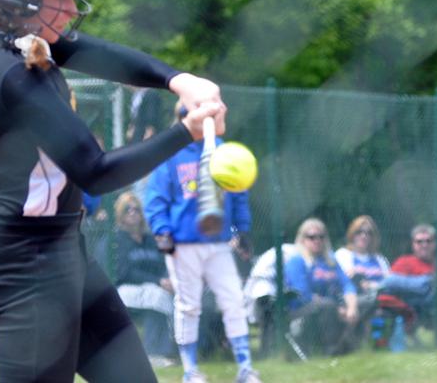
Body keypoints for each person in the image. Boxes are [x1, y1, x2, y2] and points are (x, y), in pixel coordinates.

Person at [0, 0, 227, 383]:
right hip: (23, 265)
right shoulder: (7, 73)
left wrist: (176, 79)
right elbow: (96, 170)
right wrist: (186, 131)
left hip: (61, 249)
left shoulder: (5, 36)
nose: (70, 6)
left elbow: (86, 50)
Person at [144, 102, 260, 383]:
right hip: (183, 244)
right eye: (187, 116)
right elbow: (156, 198)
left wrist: (241, 230)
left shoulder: (223, 151)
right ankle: (190, 370)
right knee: (188, 305)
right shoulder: (171, 154)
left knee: (234, 299)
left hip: (218, 242)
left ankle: (245, 367)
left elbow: (238, 193)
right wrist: (162, 232)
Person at [111, 192, 176, 367]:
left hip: (155, 286)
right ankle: (154, 353)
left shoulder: (151, 239)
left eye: (136, 209)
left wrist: (166, 279)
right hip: (126, 289)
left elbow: (165, 262)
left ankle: (180, 348)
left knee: (162, 294)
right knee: (156, 295)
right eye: (127, 209)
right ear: (120, 215)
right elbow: (124, 273)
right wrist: (157, 281)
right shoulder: (116, 239)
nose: (133, 213)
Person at [284, 218, 359, 356]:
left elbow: (347, 285)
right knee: (327, 305)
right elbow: (302, 295)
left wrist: (351, 308)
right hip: (300, 311)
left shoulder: (330, 261)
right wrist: (337, 308)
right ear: (302, 240)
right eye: (311, 237)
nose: (317, 240)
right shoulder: (297, 261)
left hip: (328, 306)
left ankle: (356, 346)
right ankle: (331, 350)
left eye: (321, 237)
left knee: (362, 303)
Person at [334, 215, 390, 348]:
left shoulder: (379, 258)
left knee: (380, 304)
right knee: (374, 300)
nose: (364, 236)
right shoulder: (343, 254)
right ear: (352, 234)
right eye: (359, 232)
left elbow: (390, 281)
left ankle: (379, 344)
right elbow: (347, 281)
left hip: (379, 297)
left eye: (369, 233)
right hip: (353, 298)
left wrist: (371, 284)